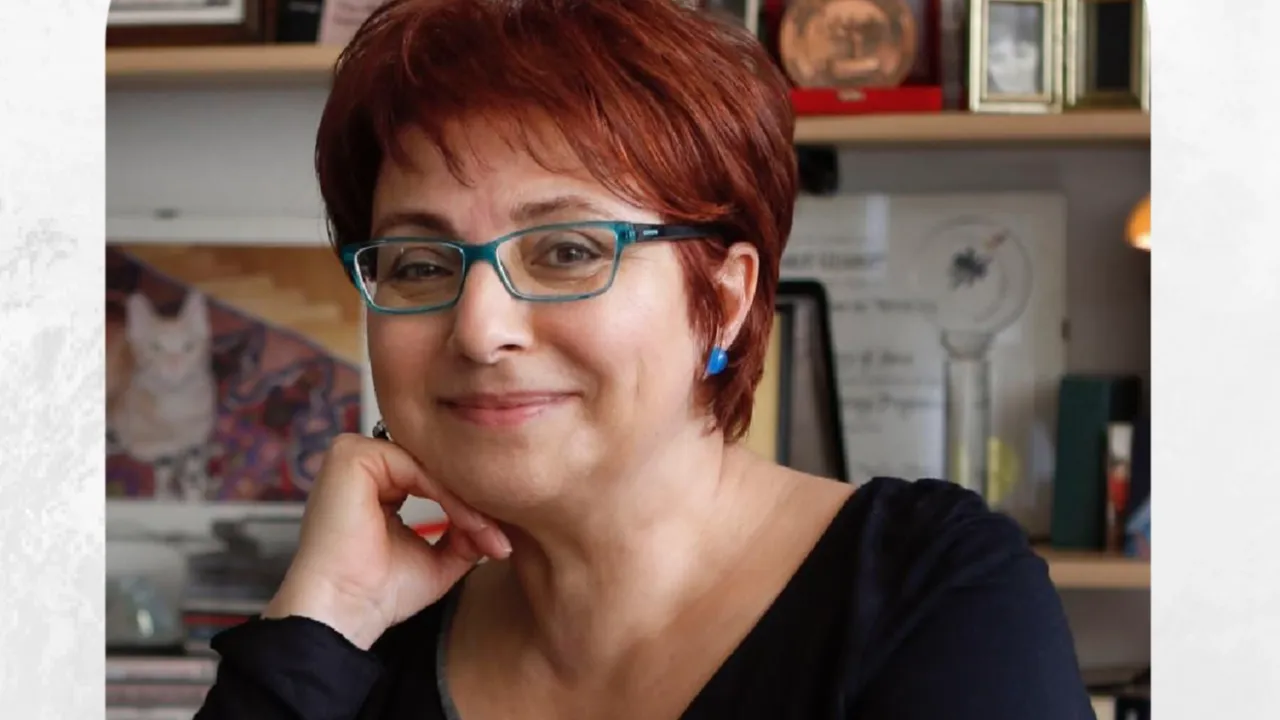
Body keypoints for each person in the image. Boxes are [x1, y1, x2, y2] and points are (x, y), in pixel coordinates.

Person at [195, 0, 1092, 718]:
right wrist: (319, 625)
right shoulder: (356, 646)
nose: (478, 329)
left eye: (567, 251)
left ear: (726, 300)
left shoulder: (931, 598)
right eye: (422, 263)